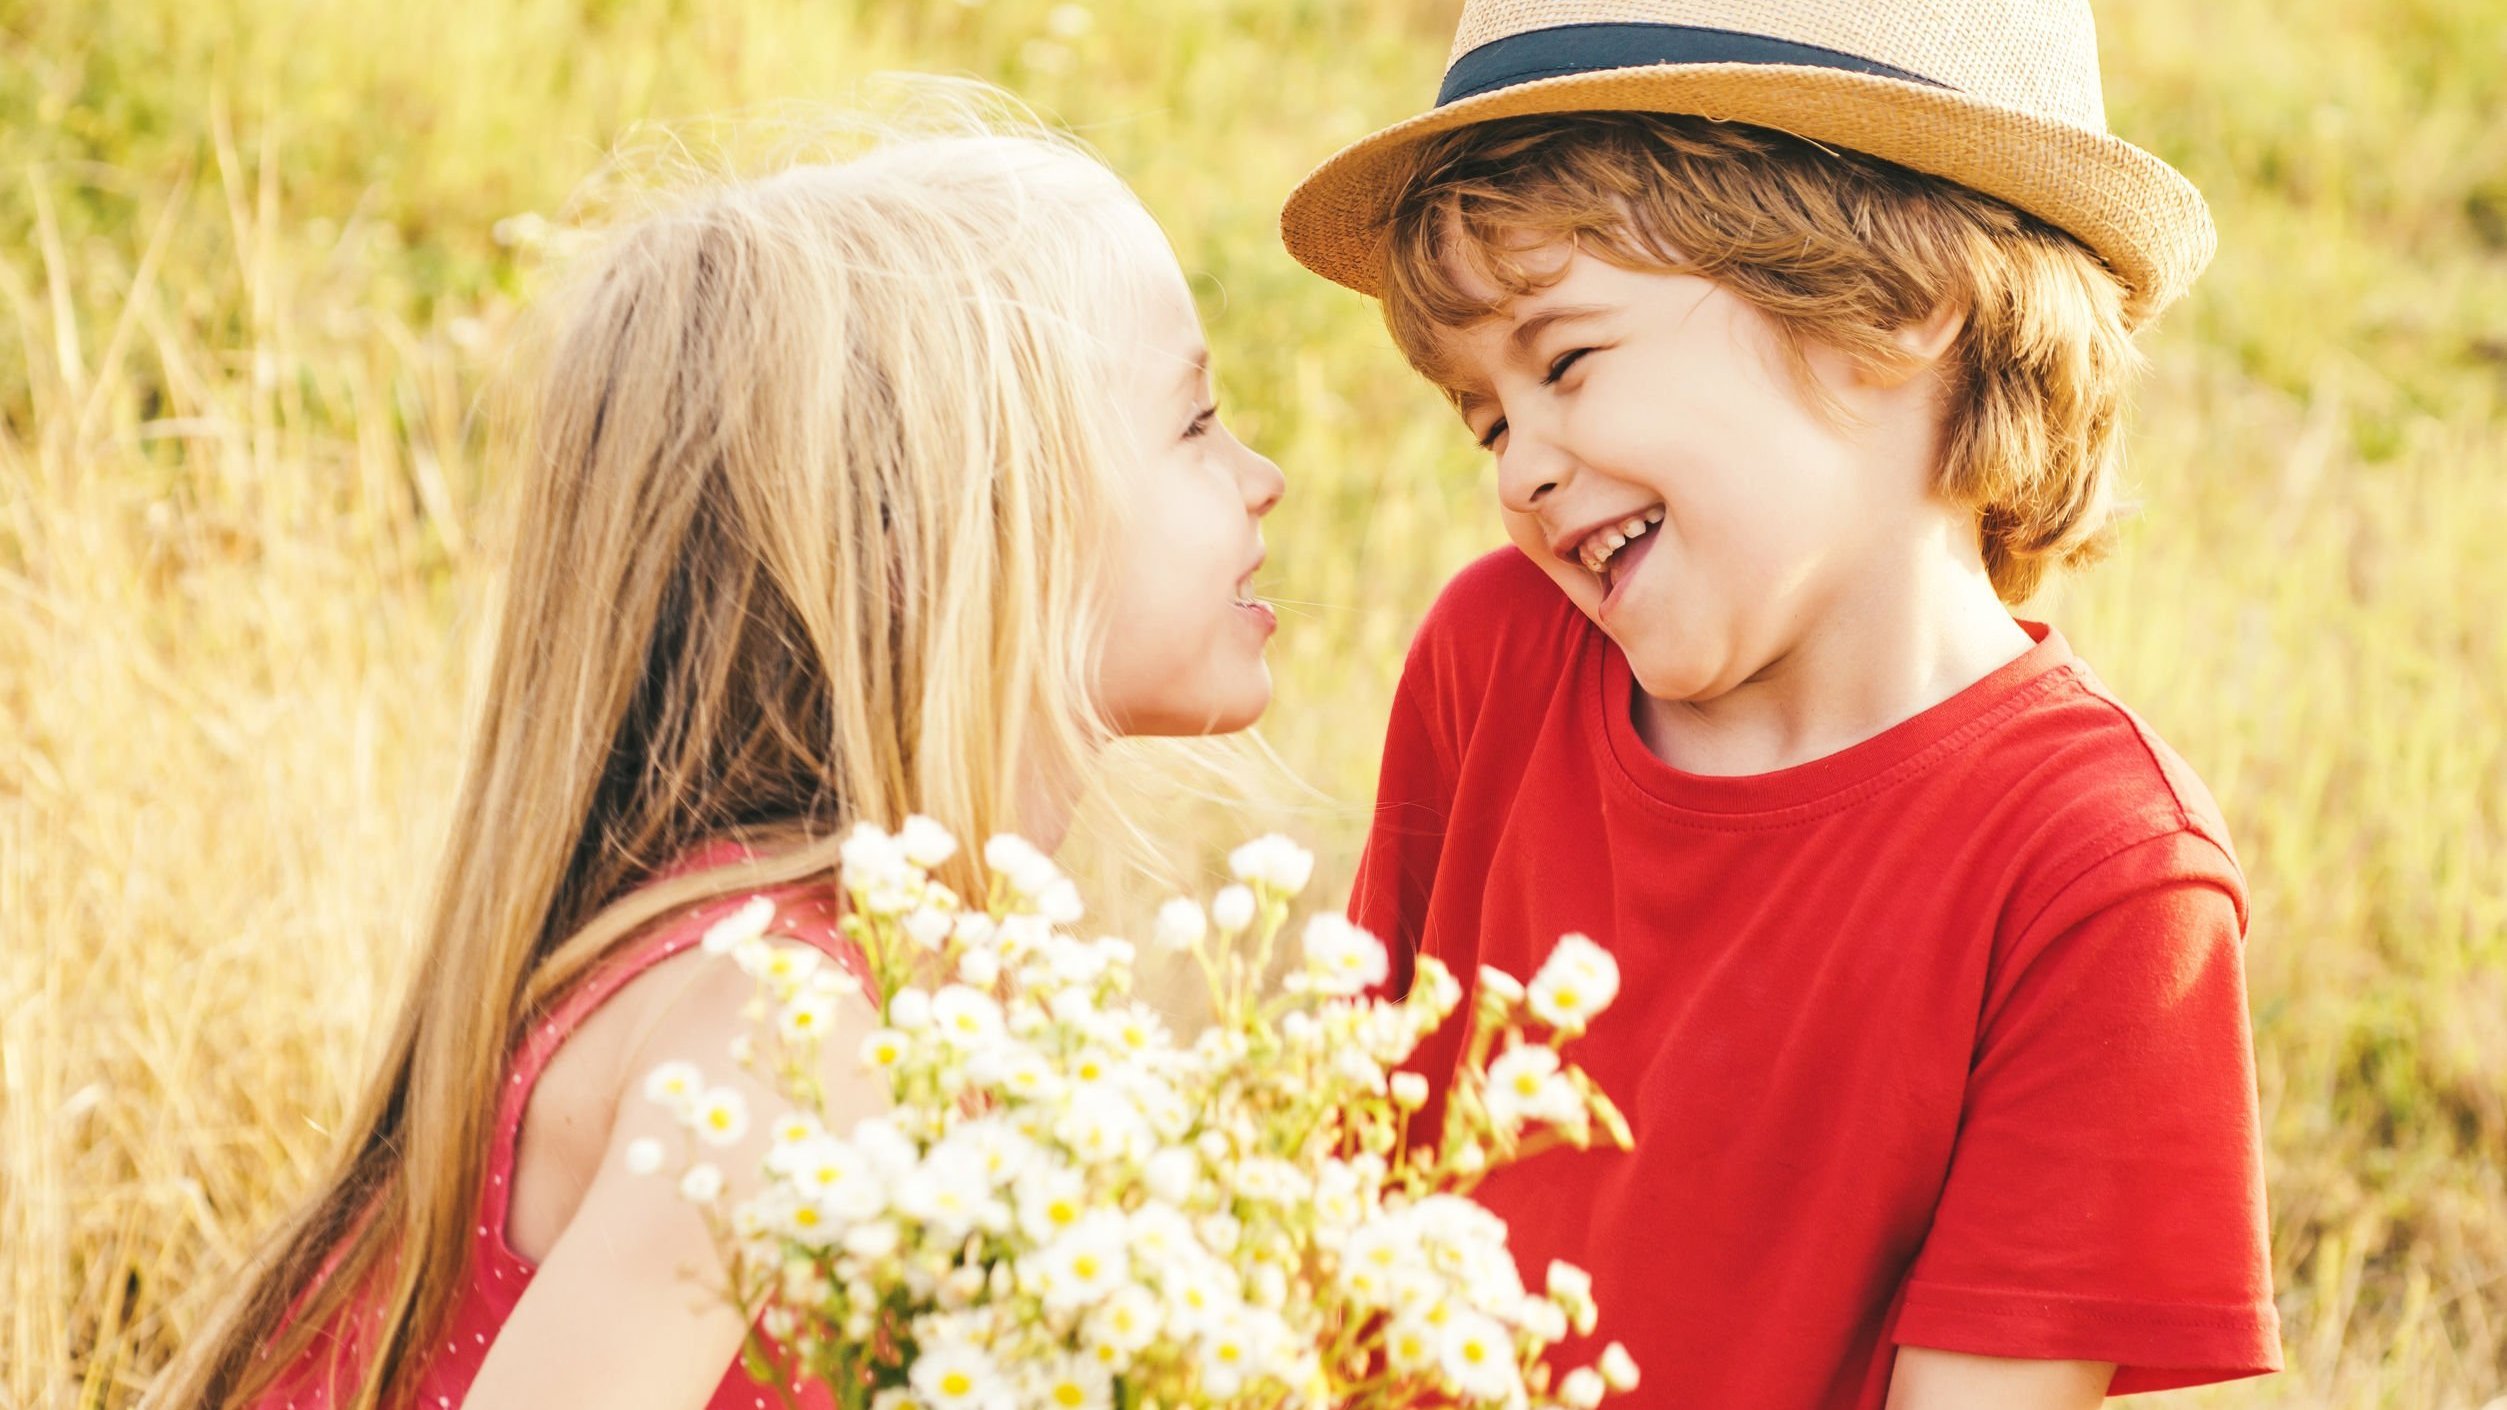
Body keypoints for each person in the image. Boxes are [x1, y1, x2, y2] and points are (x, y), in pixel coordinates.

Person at [153, 109, 1285, 1410]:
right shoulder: (773, 1037)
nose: (1263, 477)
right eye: (1194, 422)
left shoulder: (827, 978)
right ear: (976, 525)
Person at [1282, 2, 2278, 1405]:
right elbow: (1345, 1202)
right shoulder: (1493, 662)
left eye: (1566, 361)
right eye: (1489, 417)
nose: (1516, 473)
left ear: (1891, 307)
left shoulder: (2103, 873)